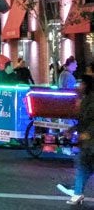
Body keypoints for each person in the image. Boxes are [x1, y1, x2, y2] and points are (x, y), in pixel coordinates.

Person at [57, 63, 94, 204]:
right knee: (84, 166)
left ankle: (77, 192)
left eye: (81, 84)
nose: (78, 86)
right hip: (88, 142)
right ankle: (77, 192)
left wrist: (87, 134)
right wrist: (71, 130)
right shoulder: (85, 100)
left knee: (84, 164)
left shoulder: (90, 100)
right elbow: (82, 120)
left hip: (90, 141)